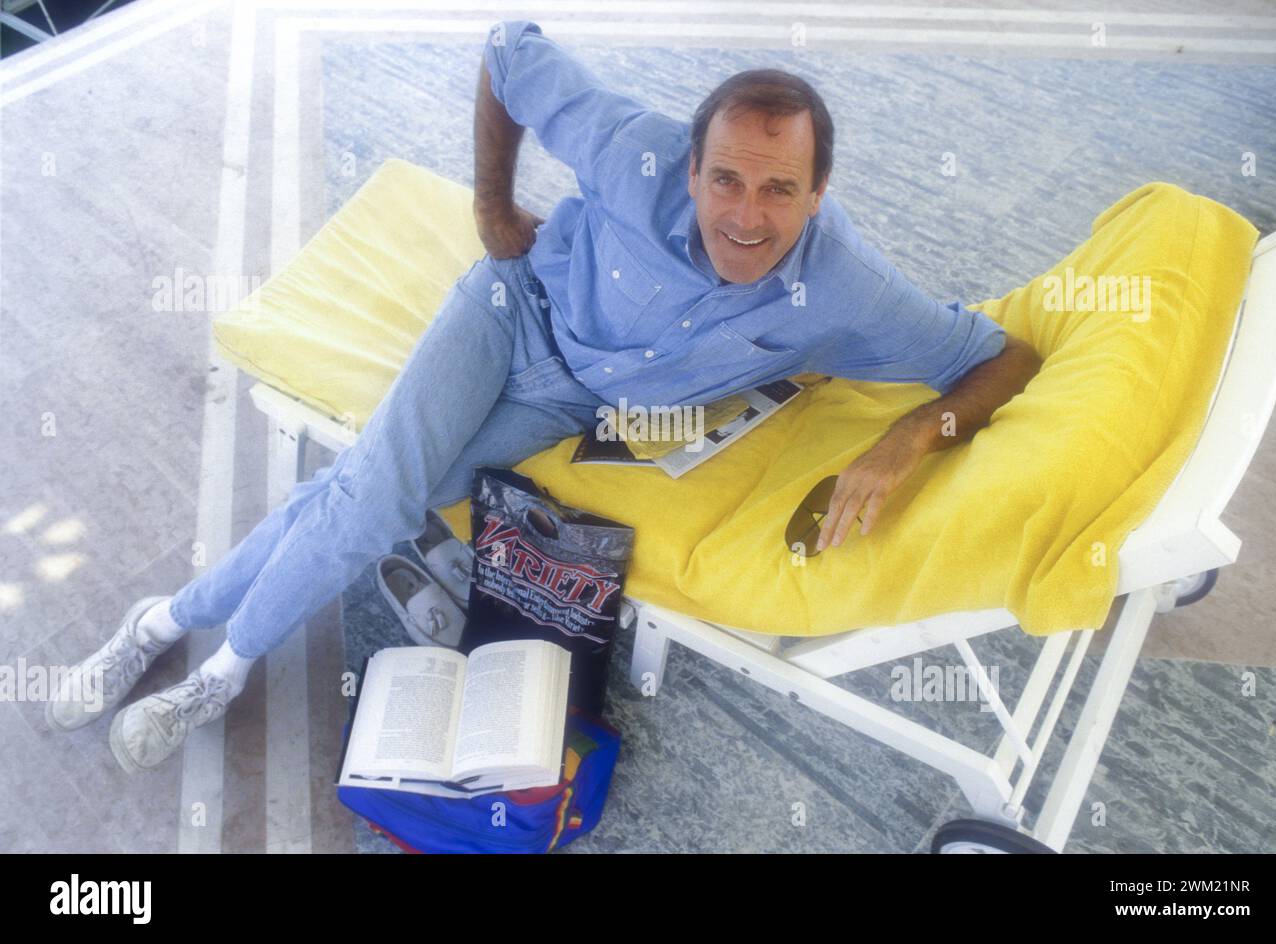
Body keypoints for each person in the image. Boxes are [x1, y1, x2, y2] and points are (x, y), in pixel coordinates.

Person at [46, 20, 1038, 772]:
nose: (746, 214)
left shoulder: (847, 283)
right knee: (377, 499)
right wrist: (489, 204)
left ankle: (159, 619)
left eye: (780, 189)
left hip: (565, 406)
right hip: (506, 310)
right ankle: (215, 672)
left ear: (820, 192)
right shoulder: (630, 149)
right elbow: (508, 48)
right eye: (725, 178)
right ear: (688, 168)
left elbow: (999, 357)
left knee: (356, 493)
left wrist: (910, 435)